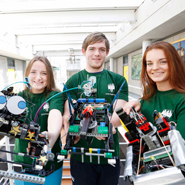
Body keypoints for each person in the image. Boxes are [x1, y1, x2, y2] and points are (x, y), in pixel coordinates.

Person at [63, 32, 128, 185]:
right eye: (92, 49)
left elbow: (118, 116)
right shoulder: (72, 81)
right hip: (80, 155)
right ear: (84, 51)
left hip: (109, 153)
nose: (97, 54)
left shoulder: (118, 80)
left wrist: (98, 128)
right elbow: (68, 114)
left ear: (107, 52)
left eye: (102, 49)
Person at [13, 56, 63, 185]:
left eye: (44, 73)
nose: (38, 77)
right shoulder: (19, 97)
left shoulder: (55, 96)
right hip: (23, 163)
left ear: (50, 76)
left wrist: (49, 137)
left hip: (50, 165)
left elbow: (55, 116)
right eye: (33, 72)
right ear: (27, 74)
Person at [124, 41, 185, 139]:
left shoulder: (182, 99)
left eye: (163, 62)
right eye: (150, 63)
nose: (155, 68)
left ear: (174, 63)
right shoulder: (149, 92)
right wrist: (136, 109)